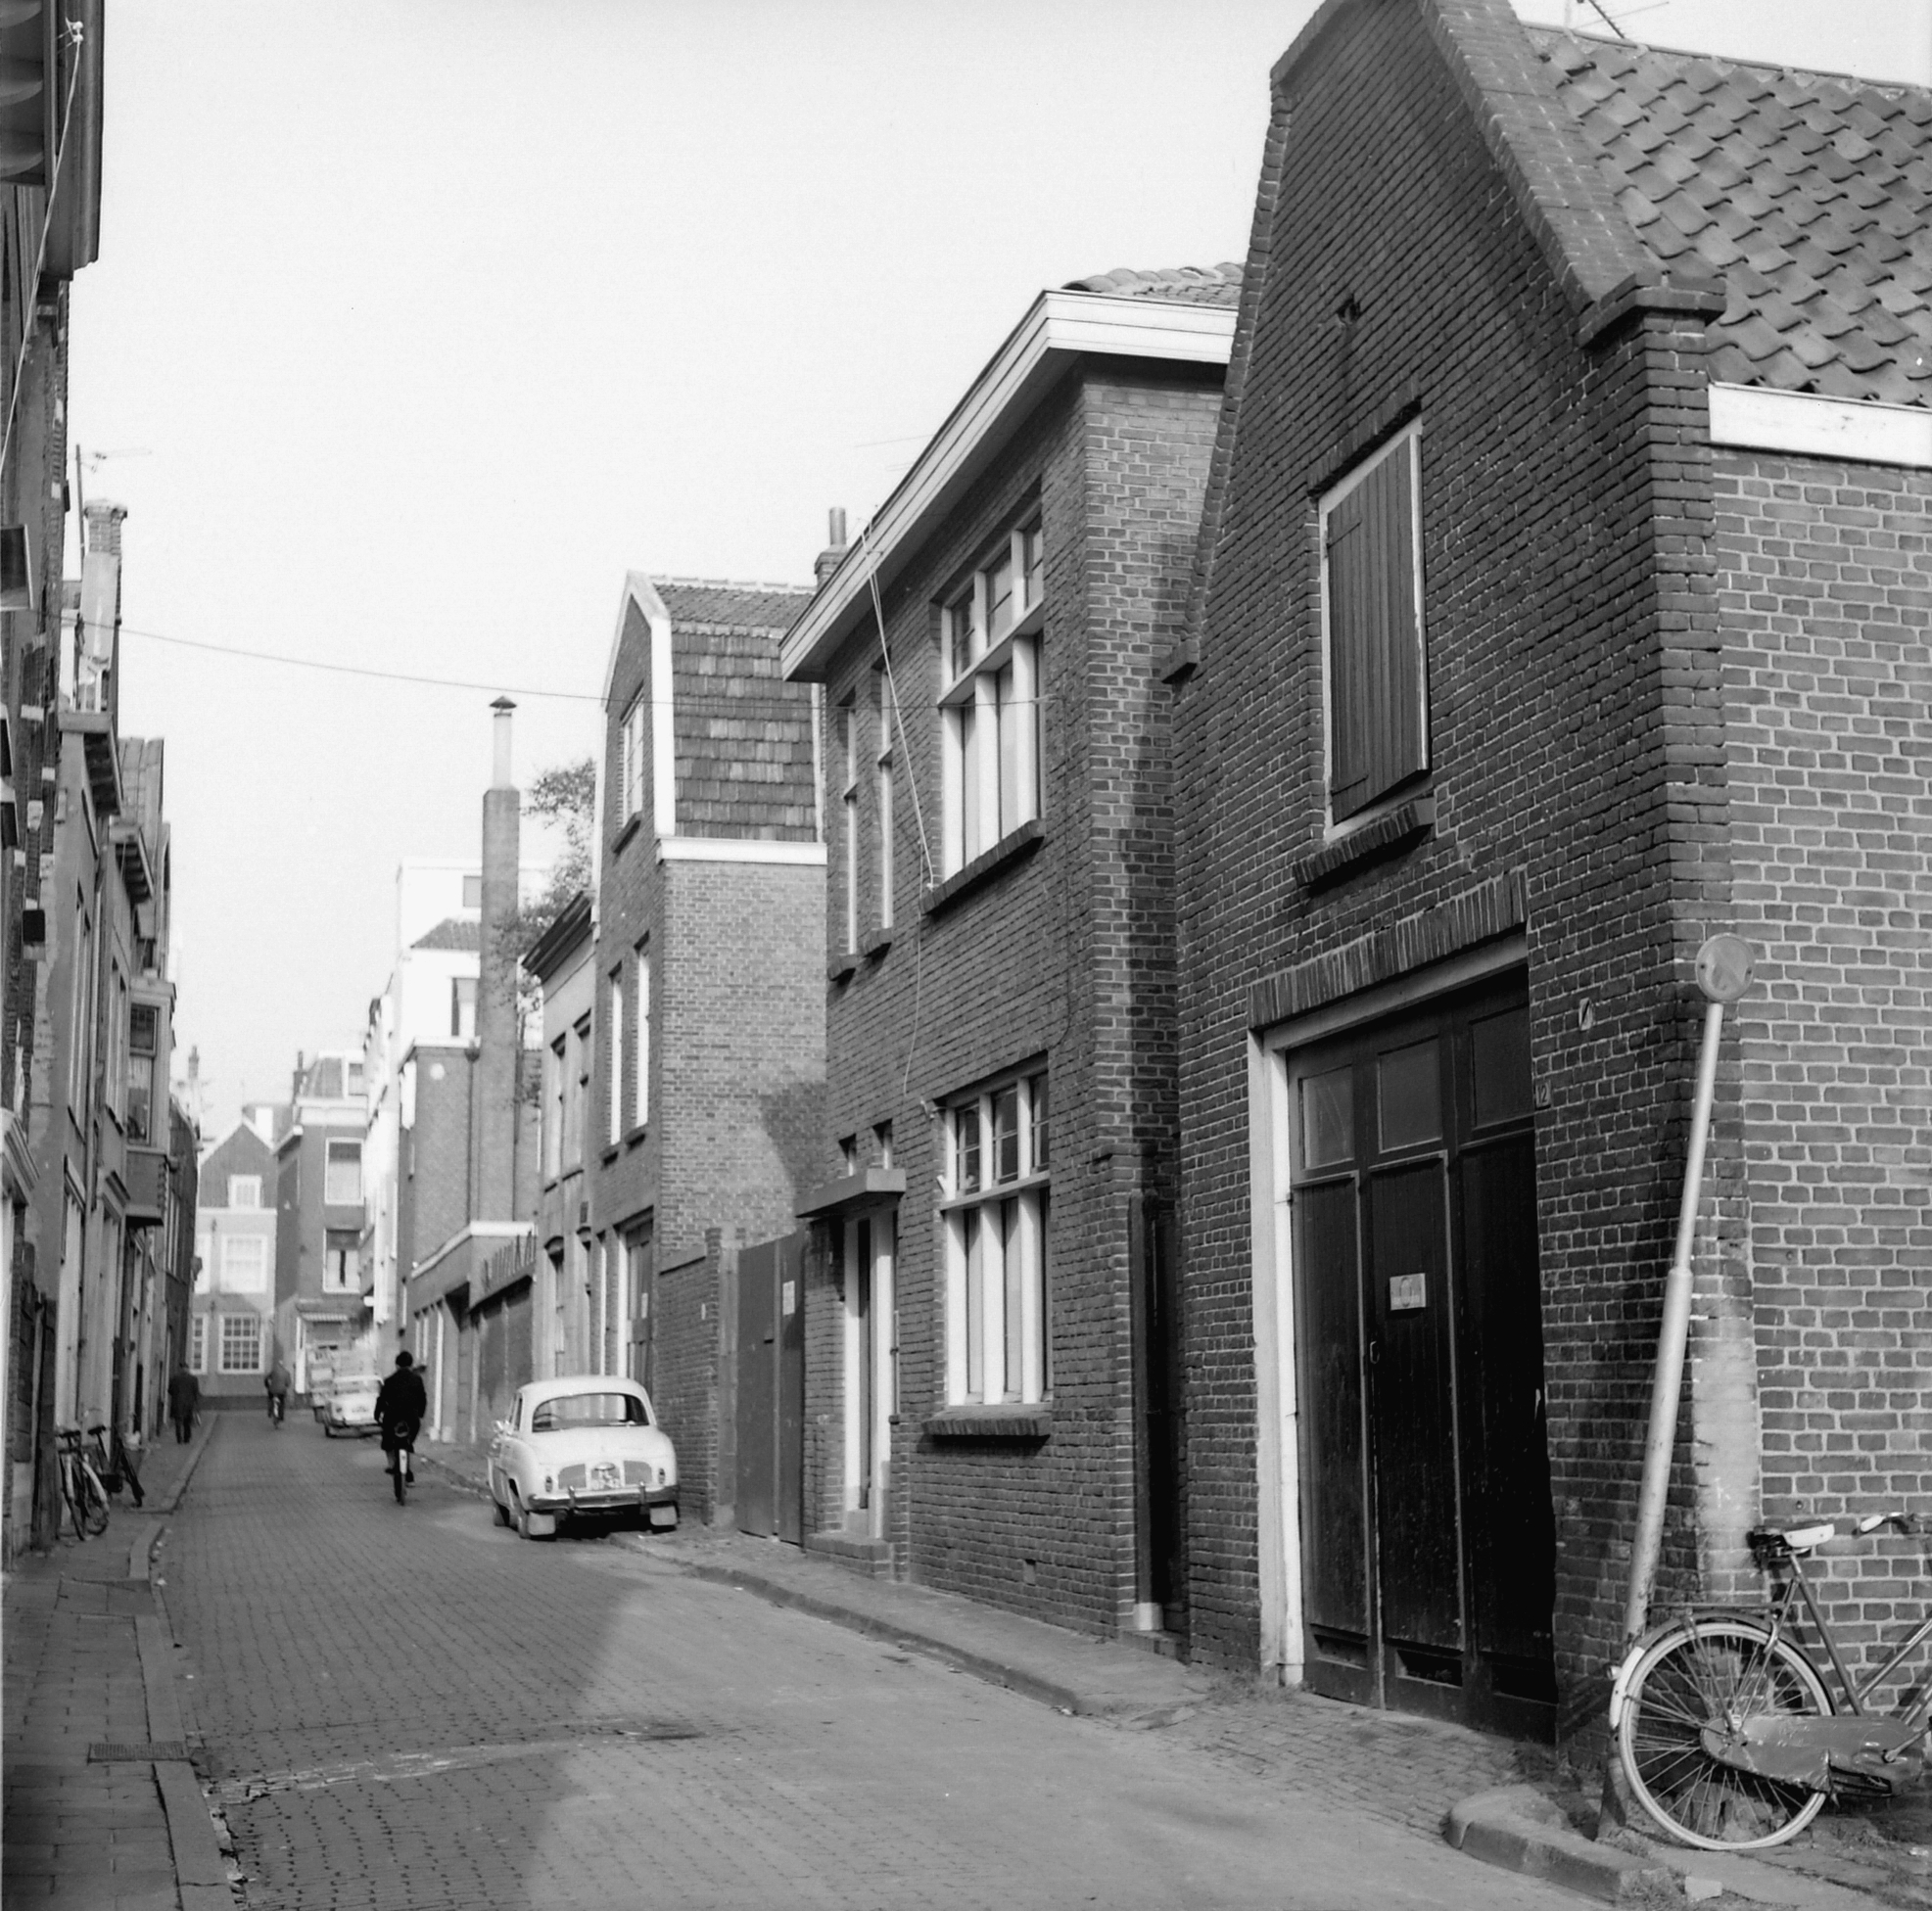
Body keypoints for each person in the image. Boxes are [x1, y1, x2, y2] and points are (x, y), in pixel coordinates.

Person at [376, 1349, 427, 1488]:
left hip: (393, 1417)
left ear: (397, 1365)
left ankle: (392, 1464)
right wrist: (420, 1414)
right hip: (411, 1418)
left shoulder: (389, 1380)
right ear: (411, 1365)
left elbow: (381, 1400)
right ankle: (408, 1468)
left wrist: (377, 1414)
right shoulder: (417, 1380)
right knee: (409, 1441)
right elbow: (422, 1398)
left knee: (387, 1440)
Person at [166, 1364, 200, 1444]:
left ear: (180, 1369)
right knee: (187, 1421)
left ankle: (179, 1438)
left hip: (177, 1403)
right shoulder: (193, 1379)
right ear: (188, 1369)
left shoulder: (175, 1379)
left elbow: (170, 1390)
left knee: (178, 1421)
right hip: (189, 1403)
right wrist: (196, 1402)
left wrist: (176, 1395)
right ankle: (186, 1438)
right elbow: (196, 1392)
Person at [264, 1357, 292, 1425]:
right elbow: (288, 1384)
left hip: (272, 1390)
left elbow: (267, 1378)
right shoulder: (286, 1373)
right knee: (282, 1403)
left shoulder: (274, 1371)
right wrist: (285, 1386)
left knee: (270, 1399)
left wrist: (267, 1386)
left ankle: (270, 1411)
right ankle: (281, 1416)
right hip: (281, 1391)